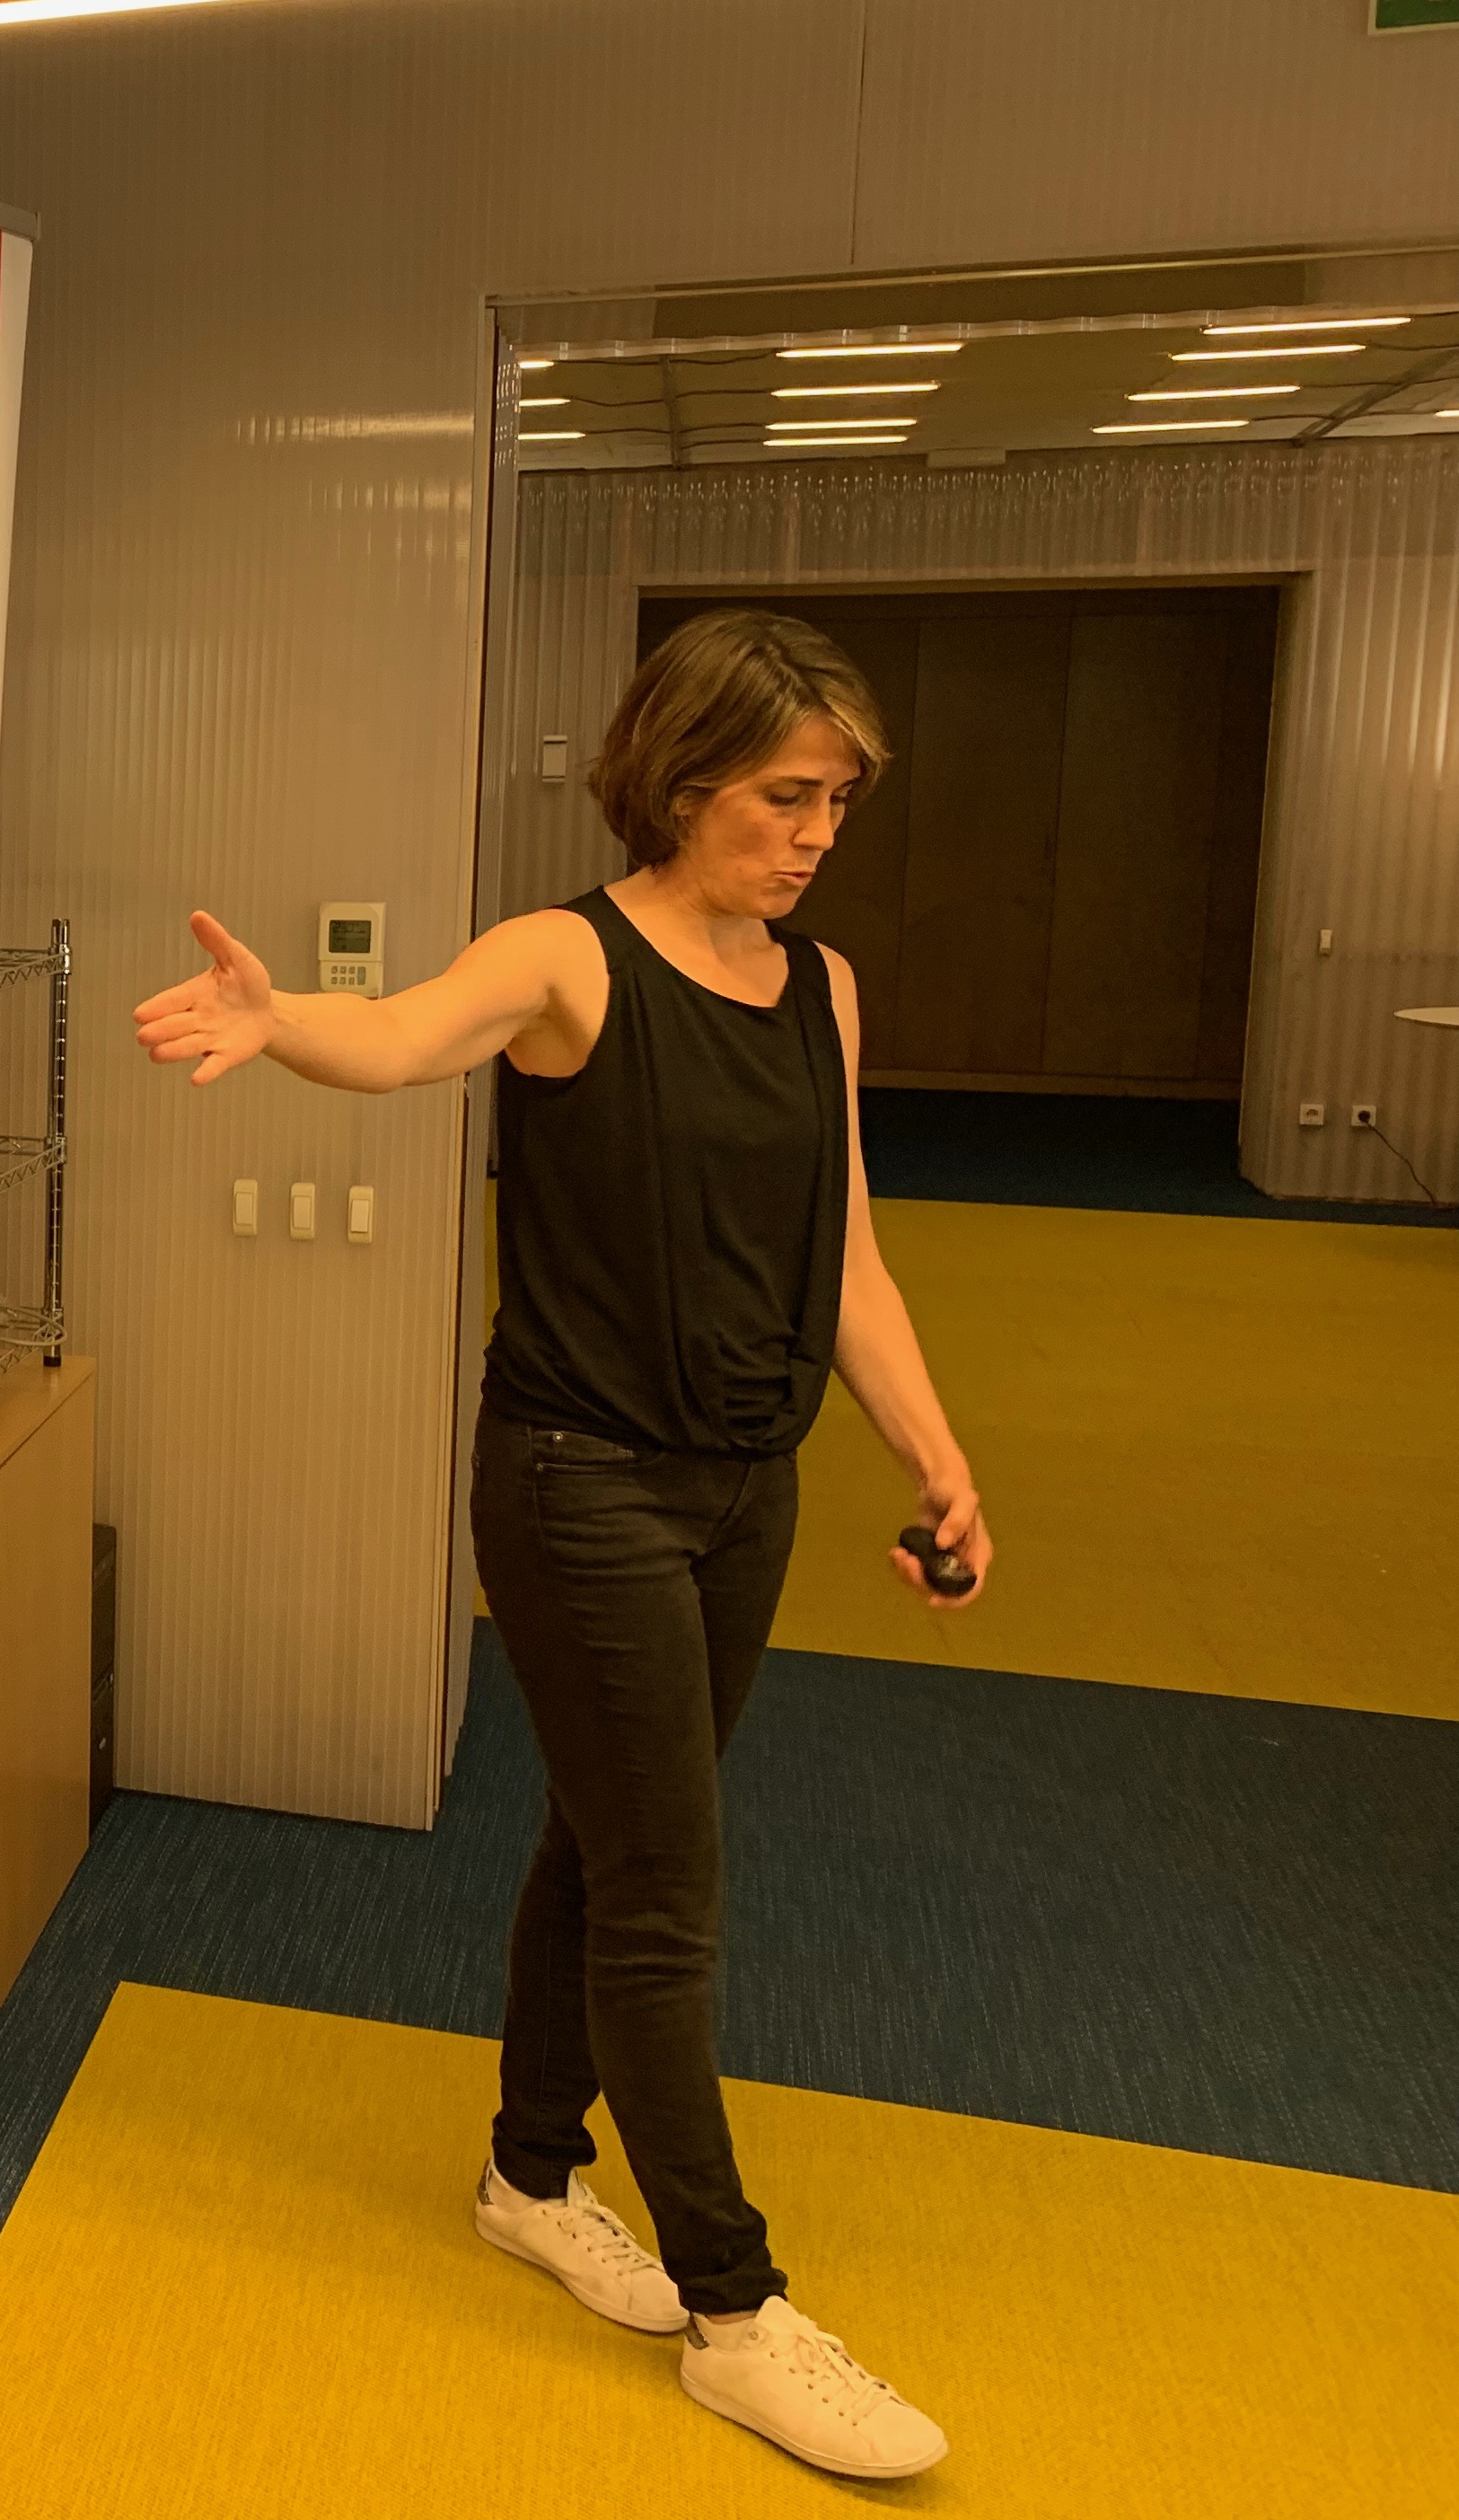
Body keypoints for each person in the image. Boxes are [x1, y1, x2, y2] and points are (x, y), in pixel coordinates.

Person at [130, 609, 986, 2483]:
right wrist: (279, 1024)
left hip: (744, 1485)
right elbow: (397, 1037)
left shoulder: (824, 991)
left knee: (607, 1842)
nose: (818, 834)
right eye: (786, 796)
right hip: (580, 1482)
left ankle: (530, 2177)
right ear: (682, 778)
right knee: (667, 1884)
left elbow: (845, 1245)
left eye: (840, 802)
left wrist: (936, 1457)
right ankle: (738, 2313)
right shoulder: (566, 959)